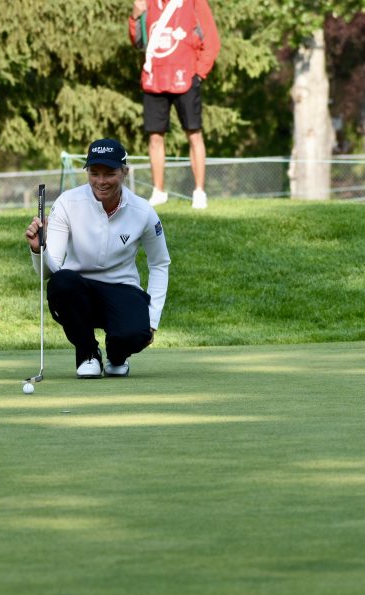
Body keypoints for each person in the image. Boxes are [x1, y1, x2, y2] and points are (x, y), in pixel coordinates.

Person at [24, 138, 170, 378]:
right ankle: (88, 353)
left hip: (122, 289)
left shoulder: (143, 211)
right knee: (62, 283)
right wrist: (39, 250)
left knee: (136, 334)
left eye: (110, 173)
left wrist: (152, 320)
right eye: (94, 173)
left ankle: (117, 355)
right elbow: (50, 271)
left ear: (125, 172)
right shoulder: (67, 203)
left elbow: (160, 263)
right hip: (79, 292)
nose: (101, 181)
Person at [129, 0, 220, 210]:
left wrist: (199, 73)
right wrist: (135, 16)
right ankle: (158, 191)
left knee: (194, 134)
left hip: (186, 78)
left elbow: (212, 41)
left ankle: (199, 192)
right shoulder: (147, 3)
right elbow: (138, 42)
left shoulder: (194, 3)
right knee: (155, 136)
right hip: (154, 79)